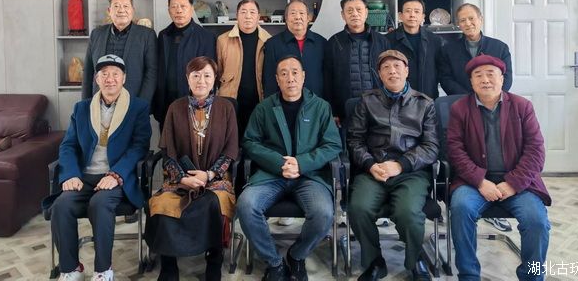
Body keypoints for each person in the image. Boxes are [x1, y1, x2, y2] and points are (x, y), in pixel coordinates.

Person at [236, 55, 342, 281]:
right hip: (271, 174)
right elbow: (250, 142)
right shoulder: (264, 108)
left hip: (309, 176)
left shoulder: (321, 107)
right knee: (246, 205)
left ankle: (296, 255)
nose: (290, 78)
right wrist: (279, 163)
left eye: (295, 72)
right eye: (284, 73)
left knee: (323, 213)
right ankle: (274, 263)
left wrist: (301, 163)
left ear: (303, 76)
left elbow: (333, 145)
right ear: (277, 79)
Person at [447, 55, 551, 281]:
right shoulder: (459, 109)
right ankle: (468, 276)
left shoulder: (522, 106)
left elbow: (536, 150)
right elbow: (455, 150)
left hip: (518, 183)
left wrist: (513, 183)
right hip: (473, 183)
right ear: (471, 82)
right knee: (461, 208)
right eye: (478, 75)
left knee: (537, 221)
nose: (485, 80)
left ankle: (532, 277)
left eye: (490, 74)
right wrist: (480, 181)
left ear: (502, 79)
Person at [48, 55, 151, 281]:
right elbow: (68, 145)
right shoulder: (82, 108)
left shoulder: (138, 108)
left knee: (100, 203)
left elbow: (139, 147)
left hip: (116, 178)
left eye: (115, 74)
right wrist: (71, 174)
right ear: (96, 79)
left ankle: (103, 270)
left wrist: (116, 174)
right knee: (61, 205)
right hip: (84, 177)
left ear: (124, 78)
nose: (110, 79)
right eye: (104, 74)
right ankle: (71, 268)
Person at [145, 56, 239, 281]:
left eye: (207, 75)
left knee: (214, 203)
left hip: (215, 178)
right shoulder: (175, 108)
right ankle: (169, 265)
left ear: (214, 79)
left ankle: (214, 261)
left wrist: (209, 174)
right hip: (180, 178)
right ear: (187, 79)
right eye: (196, 75)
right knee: (163, 204)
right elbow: (168, 153)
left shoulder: (226, 108)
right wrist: (182, 178)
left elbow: (230, 151)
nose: (201, 81)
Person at [347, 50, 438, 281]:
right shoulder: (367, 101)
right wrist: (370, 164)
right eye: (386, 67)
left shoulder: (425, 104)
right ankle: (374, 261)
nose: (392, 71)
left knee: (408, 212)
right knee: (358, 208)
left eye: (397, 66)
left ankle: (415, 260)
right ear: (379, 74)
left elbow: (431, 147)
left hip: (411, 172)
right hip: (374, 170)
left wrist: (401, 165)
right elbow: (355, 140)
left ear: (407, 71)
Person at [439, 2, 514, 232]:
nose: (468, 23)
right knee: (467, 149)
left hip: (493, 107)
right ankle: (472, 202)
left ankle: (494, 207)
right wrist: (469, 99)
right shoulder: (448, 48)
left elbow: (507, 78)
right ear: (457, 24)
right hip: (462, 106)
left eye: (471, 18)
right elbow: (445, 78)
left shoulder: (498, 46)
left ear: (480, 19)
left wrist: (486, 96)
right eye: (462, 20)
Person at [154, 0, 216, 131]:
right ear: (169, 10)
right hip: (166, 100)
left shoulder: (206, 37)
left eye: (183, 6)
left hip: (194, 101)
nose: (179, 10)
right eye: (174, 7)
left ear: (192, 9)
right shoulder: (163, 35)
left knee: (194, 139)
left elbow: (210, 75)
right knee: (167, 137)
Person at [324, 0, 389, 126]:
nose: (355, 14)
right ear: (343, 15)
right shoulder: (334, 42)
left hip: (379, 108)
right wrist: (333, 111)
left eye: (359, 10)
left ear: (366, 13)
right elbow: (328, 79)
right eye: (349, 11)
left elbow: (390, 74)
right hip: (345, 109)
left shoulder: (381, 41)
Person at [82, 0, 157, 105]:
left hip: (133, 101)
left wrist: (141, 104)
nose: (121, 10)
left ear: (133, 10)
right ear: (109, 11)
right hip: (100, 102)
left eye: (126, 6)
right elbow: (88, 71)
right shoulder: (96, 34)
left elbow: (151, 72)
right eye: (116, 6)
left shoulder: (147, 35)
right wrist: (86, 103)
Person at [216, 0, 271, 137]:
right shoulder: (223, 40)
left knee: (256, 140)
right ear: (237, 15)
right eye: (243, 12)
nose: (248, 16)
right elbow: (218, 71)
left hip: (259, 99)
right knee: (230, 139)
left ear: (258, 16)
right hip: (230, 99)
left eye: (252, 12)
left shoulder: (269, 40)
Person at [262, 0, 326, 98]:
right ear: (286, 18)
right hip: (283, 103)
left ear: (308, 18)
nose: (297, 17)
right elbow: (269, 80)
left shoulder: (321, 43)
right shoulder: (273, 44)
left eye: (301, 13)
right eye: (293, 13)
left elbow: (328, 77)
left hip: (316, 102)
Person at [386, 0, 444, 99]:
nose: (412, 15)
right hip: (397, 98)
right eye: (408, 11)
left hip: (428, 97)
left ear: (423, 16)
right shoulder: (387, 40)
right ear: (400, 16)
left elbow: (441, 70)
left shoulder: (435, 40)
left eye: (417, 11)